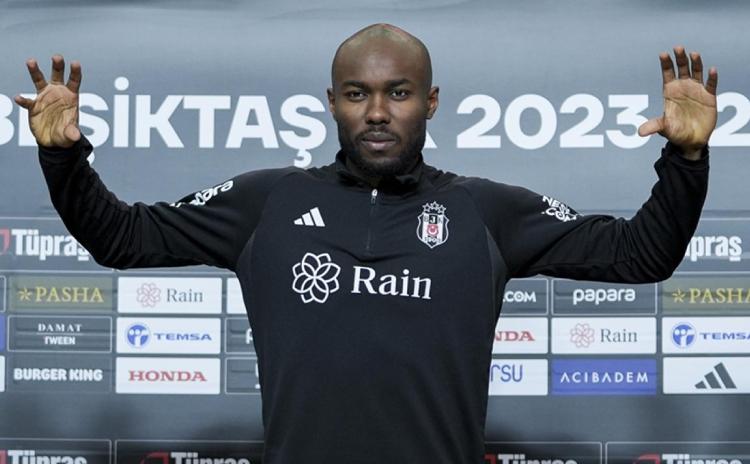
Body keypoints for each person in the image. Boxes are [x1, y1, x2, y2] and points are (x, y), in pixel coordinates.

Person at [16, 23, 717, 464]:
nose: (377, 112)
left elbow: (640, 254)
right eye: (357, 94)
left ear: (431, 102)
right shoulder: (267, 202)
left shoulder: (486, 210)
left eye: (398, 93)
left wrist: (685, 160)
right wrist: (63, 158)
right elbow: (122, 238)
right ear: (332, 102)